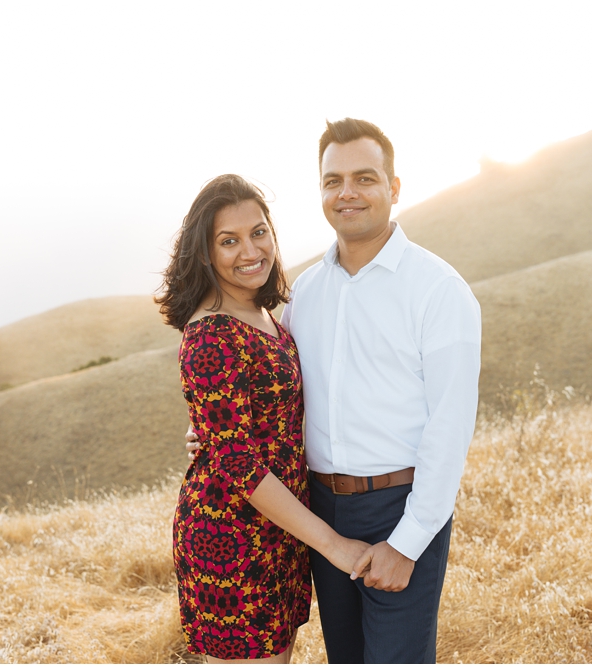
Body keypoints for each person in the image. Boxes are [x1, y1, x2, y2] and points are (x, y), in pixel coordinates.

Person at [186, 120, 483, 663]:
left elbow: (450, 428)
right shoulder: (307, 291)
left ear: (393, 189)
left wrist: (407, 541)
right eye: (333, 180)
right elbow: (271, 391)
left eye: (364, 178)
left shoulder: (439, 291)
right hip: (315, 511)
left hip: (399, 507)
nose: (347, 192)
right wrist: (209, 430)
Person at [157, 174, 372, 663]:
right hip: (230, 541)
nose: (249, 250)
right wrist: (334, 546)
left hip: (279, 533)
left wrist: (208, 432)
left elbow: (246, 420)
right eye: (227, 241)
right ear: (205, 253)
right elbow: (239, 464)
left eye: (258, 232)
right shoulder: (211, 334)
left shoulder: (261, 313)